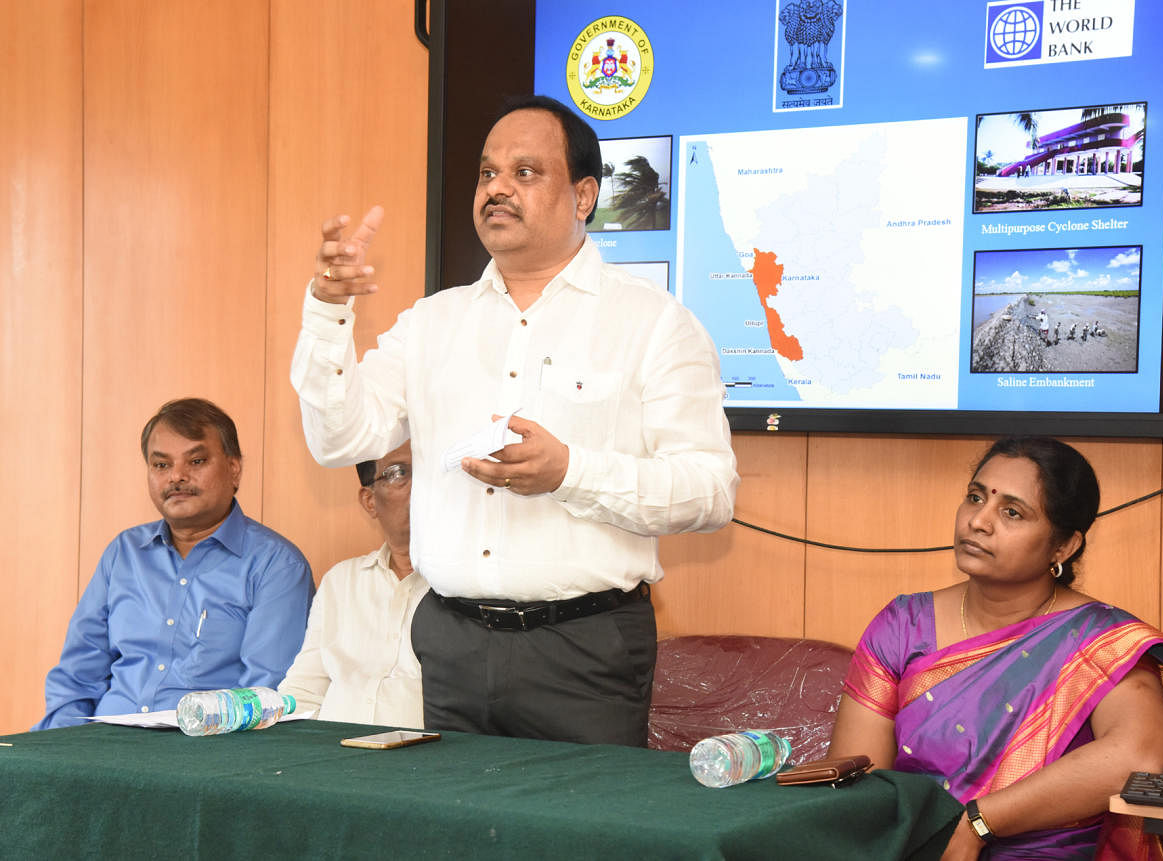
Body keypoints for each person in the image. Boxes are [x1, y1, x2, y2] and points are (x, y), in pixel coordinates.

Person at [291, 94, 737, 745]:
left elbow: (710, 491)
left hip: (584, 652)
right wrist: (328, 310)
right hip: (449, 641)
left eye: (524, 172)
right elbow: (338, 440)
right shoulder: (430, 323)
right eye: (486, 173)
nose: (497, 188)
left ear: (583, 197)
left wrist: (571, 472)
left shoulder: (654, 323)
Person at [828, 437, 1163, 859]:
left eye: (1011, 512)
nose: (978, 522)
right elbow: (858, 788)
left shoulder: (1099, 640)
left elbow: (1144, 757)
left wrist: (979, 822)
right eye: (974, 498)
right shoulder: (902, 626)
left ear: (1063, 547)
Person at [35, 398, 315, 729]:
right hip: (100, 742)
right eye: (161, 465)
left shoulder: (276, 565)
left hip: (197, 755)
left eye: (196, 461)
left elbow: (263, 699)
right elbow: (76, 677)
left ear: (234, 469)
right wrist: (59, 748)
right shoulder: (125, 553)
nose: (177, 477)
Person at [279, 442, 428, 726]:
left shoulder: (463, 587)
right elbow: (305, 688)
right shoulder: (341, 581)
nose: (419, 485)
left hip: (423, 757)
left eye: (427, 470)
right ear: (369, 501)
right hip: (334, 752)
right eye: (399, 473)